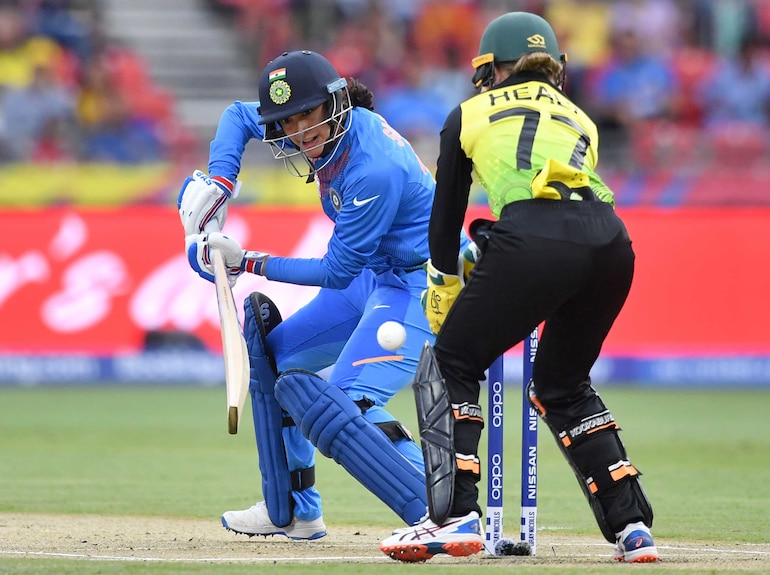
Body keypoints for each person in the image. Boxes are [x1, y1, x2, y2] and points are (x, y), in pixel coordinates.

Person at [380, 12, 658, 563]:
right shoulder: (581, 117)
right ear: (554, 69)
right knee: (562, 384)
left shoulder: (468, 113)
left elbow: (448, 215)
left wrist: (442, 278)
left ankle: (454, 517)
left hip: (532, 237)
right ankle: (633, 528)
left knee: (451, 364)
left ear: (490, 70)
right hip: (611, 243)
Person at [177, 50, 468, 540]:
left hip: (424, 283)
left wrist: (246, 262)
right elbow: (236, 116)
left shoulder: (371, 169)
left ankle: (451, 513)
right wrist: (222, 182)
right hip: (377, 274)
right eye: (287, 121)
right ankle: (293, 511)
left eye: (308, 115)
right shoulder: (315, 133)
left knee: (348, 402)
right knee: (278, 360)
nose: (299, 132)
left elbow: (336, 271)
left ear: (335, 103)